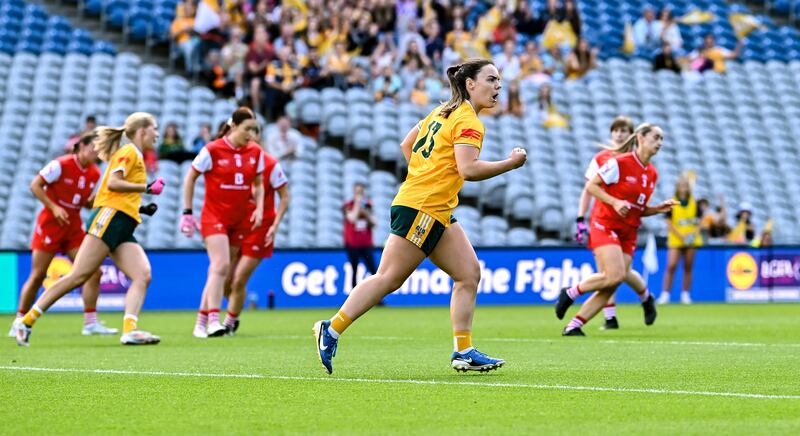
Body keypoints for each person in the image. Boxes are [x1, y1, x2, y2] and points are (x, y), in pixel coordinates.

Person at [313, 58, 528, 374]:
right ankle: (331, 329)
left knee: (468, 273)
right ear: (471, 84)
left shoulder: (441, 112)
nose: (498, 86)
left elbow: (407, 144)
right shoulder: (468, 120)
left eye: (499, 80)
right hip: (424, 206)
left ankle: (463, 350)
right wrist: (510, 163)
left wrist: (423, 175)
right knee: (389, 278)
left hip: (431, 206)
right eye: (492, 79)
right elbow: (468, 170)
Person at [13, 113, 166, 346]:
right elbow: (114, 183)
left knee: (142, 275)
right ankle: (26, 321)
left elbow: (111, 192)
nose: (157, 134)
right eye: (154, 128)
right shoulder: (129, 152)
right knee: (79, 276)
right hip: (110, 219)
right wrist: (146, 187)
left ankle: (130, 330)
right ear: (142, 131)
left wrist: (141, 208)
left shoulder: (134, 154)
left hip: (123, 224)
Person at [555, 123, 675, 336]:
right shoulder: (619, 163)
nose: (660, 143)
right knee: (615, 275)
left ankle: (574, 325)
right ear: (640, 137)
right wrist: (614, 202)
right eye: (656, 137)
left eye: (662, 139)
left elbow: (635, 210)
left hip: (629, 231)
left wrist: (656, 209)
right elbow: (591, 186)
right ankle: (571, 292)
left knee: (613, 281)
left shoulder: (652, 173)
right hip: (605, 224)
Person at [8, 132, 116, 338]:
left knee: (94, 272)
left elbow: (83, 201)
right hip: (50, 223)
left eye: (99, 150)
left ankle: (90, 323)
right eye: (93, 148)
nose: (96, 153)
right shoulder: (60, 164)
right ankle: (19, 320)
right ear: (81, 147)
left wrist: (101, 201)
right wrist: (54, 207)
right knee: (38, 274)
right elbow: (35, 185)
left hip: (73, 225)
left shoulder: (94, 173)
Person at [181, 107, 265, 338]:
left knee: (219, 272)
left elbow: (258, 184)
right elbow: (190, 177)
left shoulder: (255, 152)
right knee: (220, 266)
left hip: (239, 220)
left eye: (255, 130)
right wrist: (187, 212)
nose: (252, 134)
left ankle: (200, 323)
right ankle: (213, 321)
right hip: (214, 217)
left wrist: (259, 208)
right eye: (248, 129)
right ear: (234, 126)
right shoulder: (212, 149)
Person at [574, 116, 653, 330]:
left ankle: (644, 298)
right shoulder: (601, 158)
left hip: (625, 225)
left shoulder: (635, 160)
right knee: (610, 273)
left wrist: (639, 213)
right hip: (604, 221)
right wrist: (581, 218)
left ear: (632, 135)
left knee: (618, 273)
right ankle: (611, 316)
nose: (618, 134)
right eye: (615, 130)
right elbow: (588, 189)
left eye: (623, 130)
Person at [224, 125, 289, 335]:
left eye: (253, 134)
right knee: (225, 279)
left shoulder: (270, 164)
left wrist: (275, 225)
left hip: (261, 229)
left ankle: (230, 323)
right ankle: (236, 303)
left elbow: (285, 196)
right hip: (237, 226)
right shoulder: (235, 162)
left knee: (239, 278)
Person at [658, 175, 702, 305]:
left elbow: (699, 221)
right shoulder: (672, 202)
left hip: (691, 240)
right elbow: (668, 222)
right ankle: (665, 294)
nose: (683, 188)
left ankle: (685, 294)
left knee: (688, 266)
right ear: (677, 187)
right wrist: (681, 236)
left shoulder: (694, 202)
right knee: (671, 266)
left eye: (685, 186)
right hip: (676, 240)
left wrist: (693, 234)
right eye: (681, 186)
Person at [343, 183, 377, 291]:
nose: (359, 194)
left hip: (366, 244)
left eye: (361, 192)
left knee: (373, 270)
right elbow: (352, 218)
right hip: (353, 244)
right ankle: (353, 295)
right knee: (354, 270)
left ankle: (377, 297)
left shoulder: (368, 205)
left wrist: (366, 213)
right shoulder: (348, 205)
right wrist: (358, 205)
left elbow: (374, 222)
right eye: (357, 192)